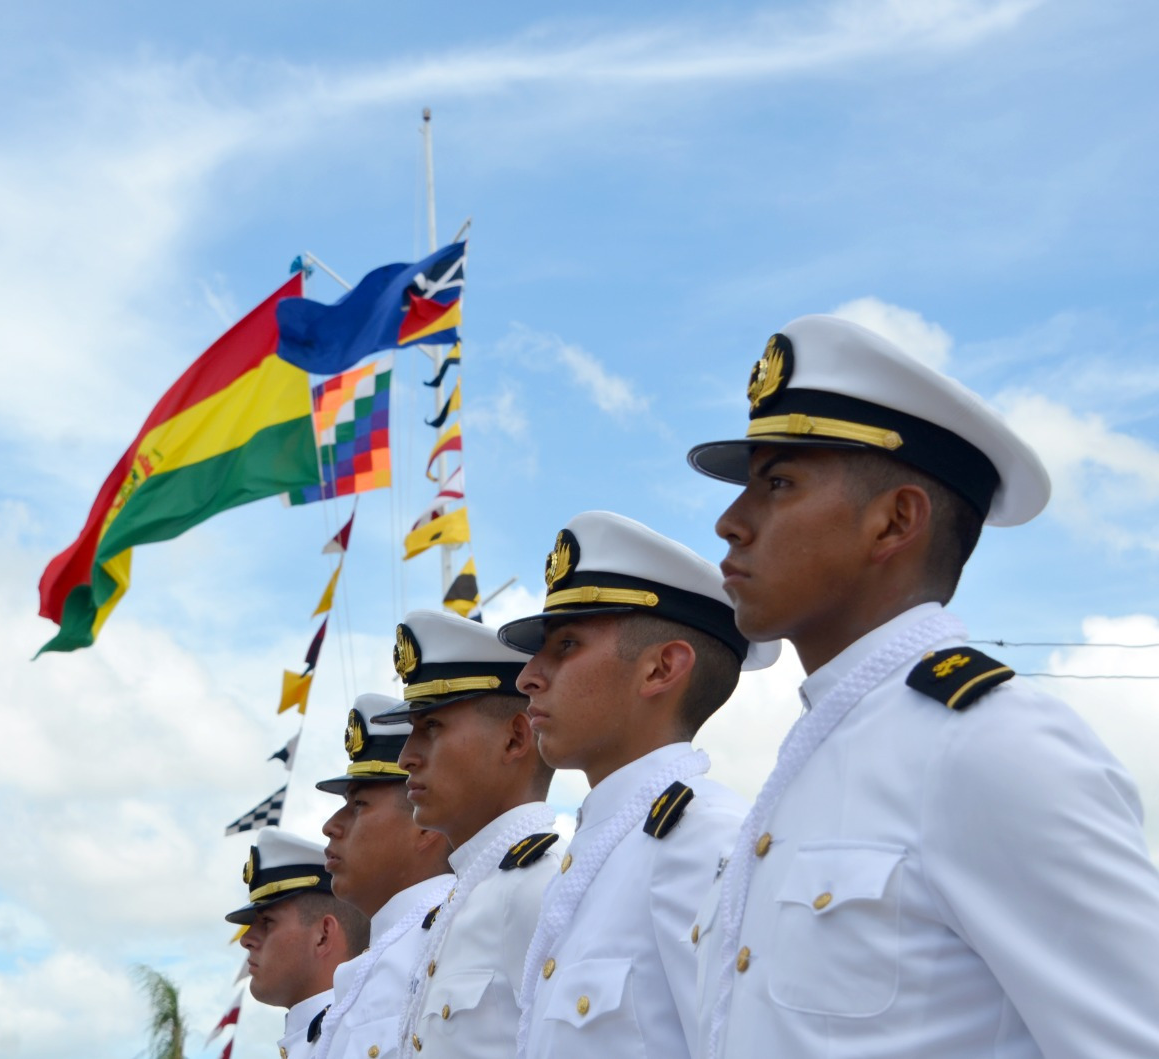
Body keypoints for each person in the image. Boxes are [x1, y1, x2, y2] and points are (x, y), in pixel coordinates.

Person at [684, 315, 1159, 1058]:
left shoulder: (992, 744)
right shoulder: (809, 761)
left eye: (777, 483)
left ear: (894, 521)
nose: (729, 522)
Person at [495, 510, 780, 1058]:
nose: (528, 675)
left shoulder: (702, 843)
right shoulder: (601, 852)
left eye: (567, 646)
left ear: (660, 670)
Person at [370, 609, 560, 1057]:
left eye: (430, 728)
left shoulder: (544, 887)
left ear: (515, 739)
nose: (405, 759)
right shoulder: (463, 901)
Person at [313, 693, 456, 1059]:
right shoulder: (374, 961)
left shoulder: (452, 940)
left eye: (359, 804)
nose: (331, 826)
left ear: (424, 824)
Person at [228, 828, 370, 1059]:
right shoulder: (335, 1040)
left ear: (323, 935)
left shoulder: (361, 1045)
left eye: (267, 922)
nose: (246, 940)